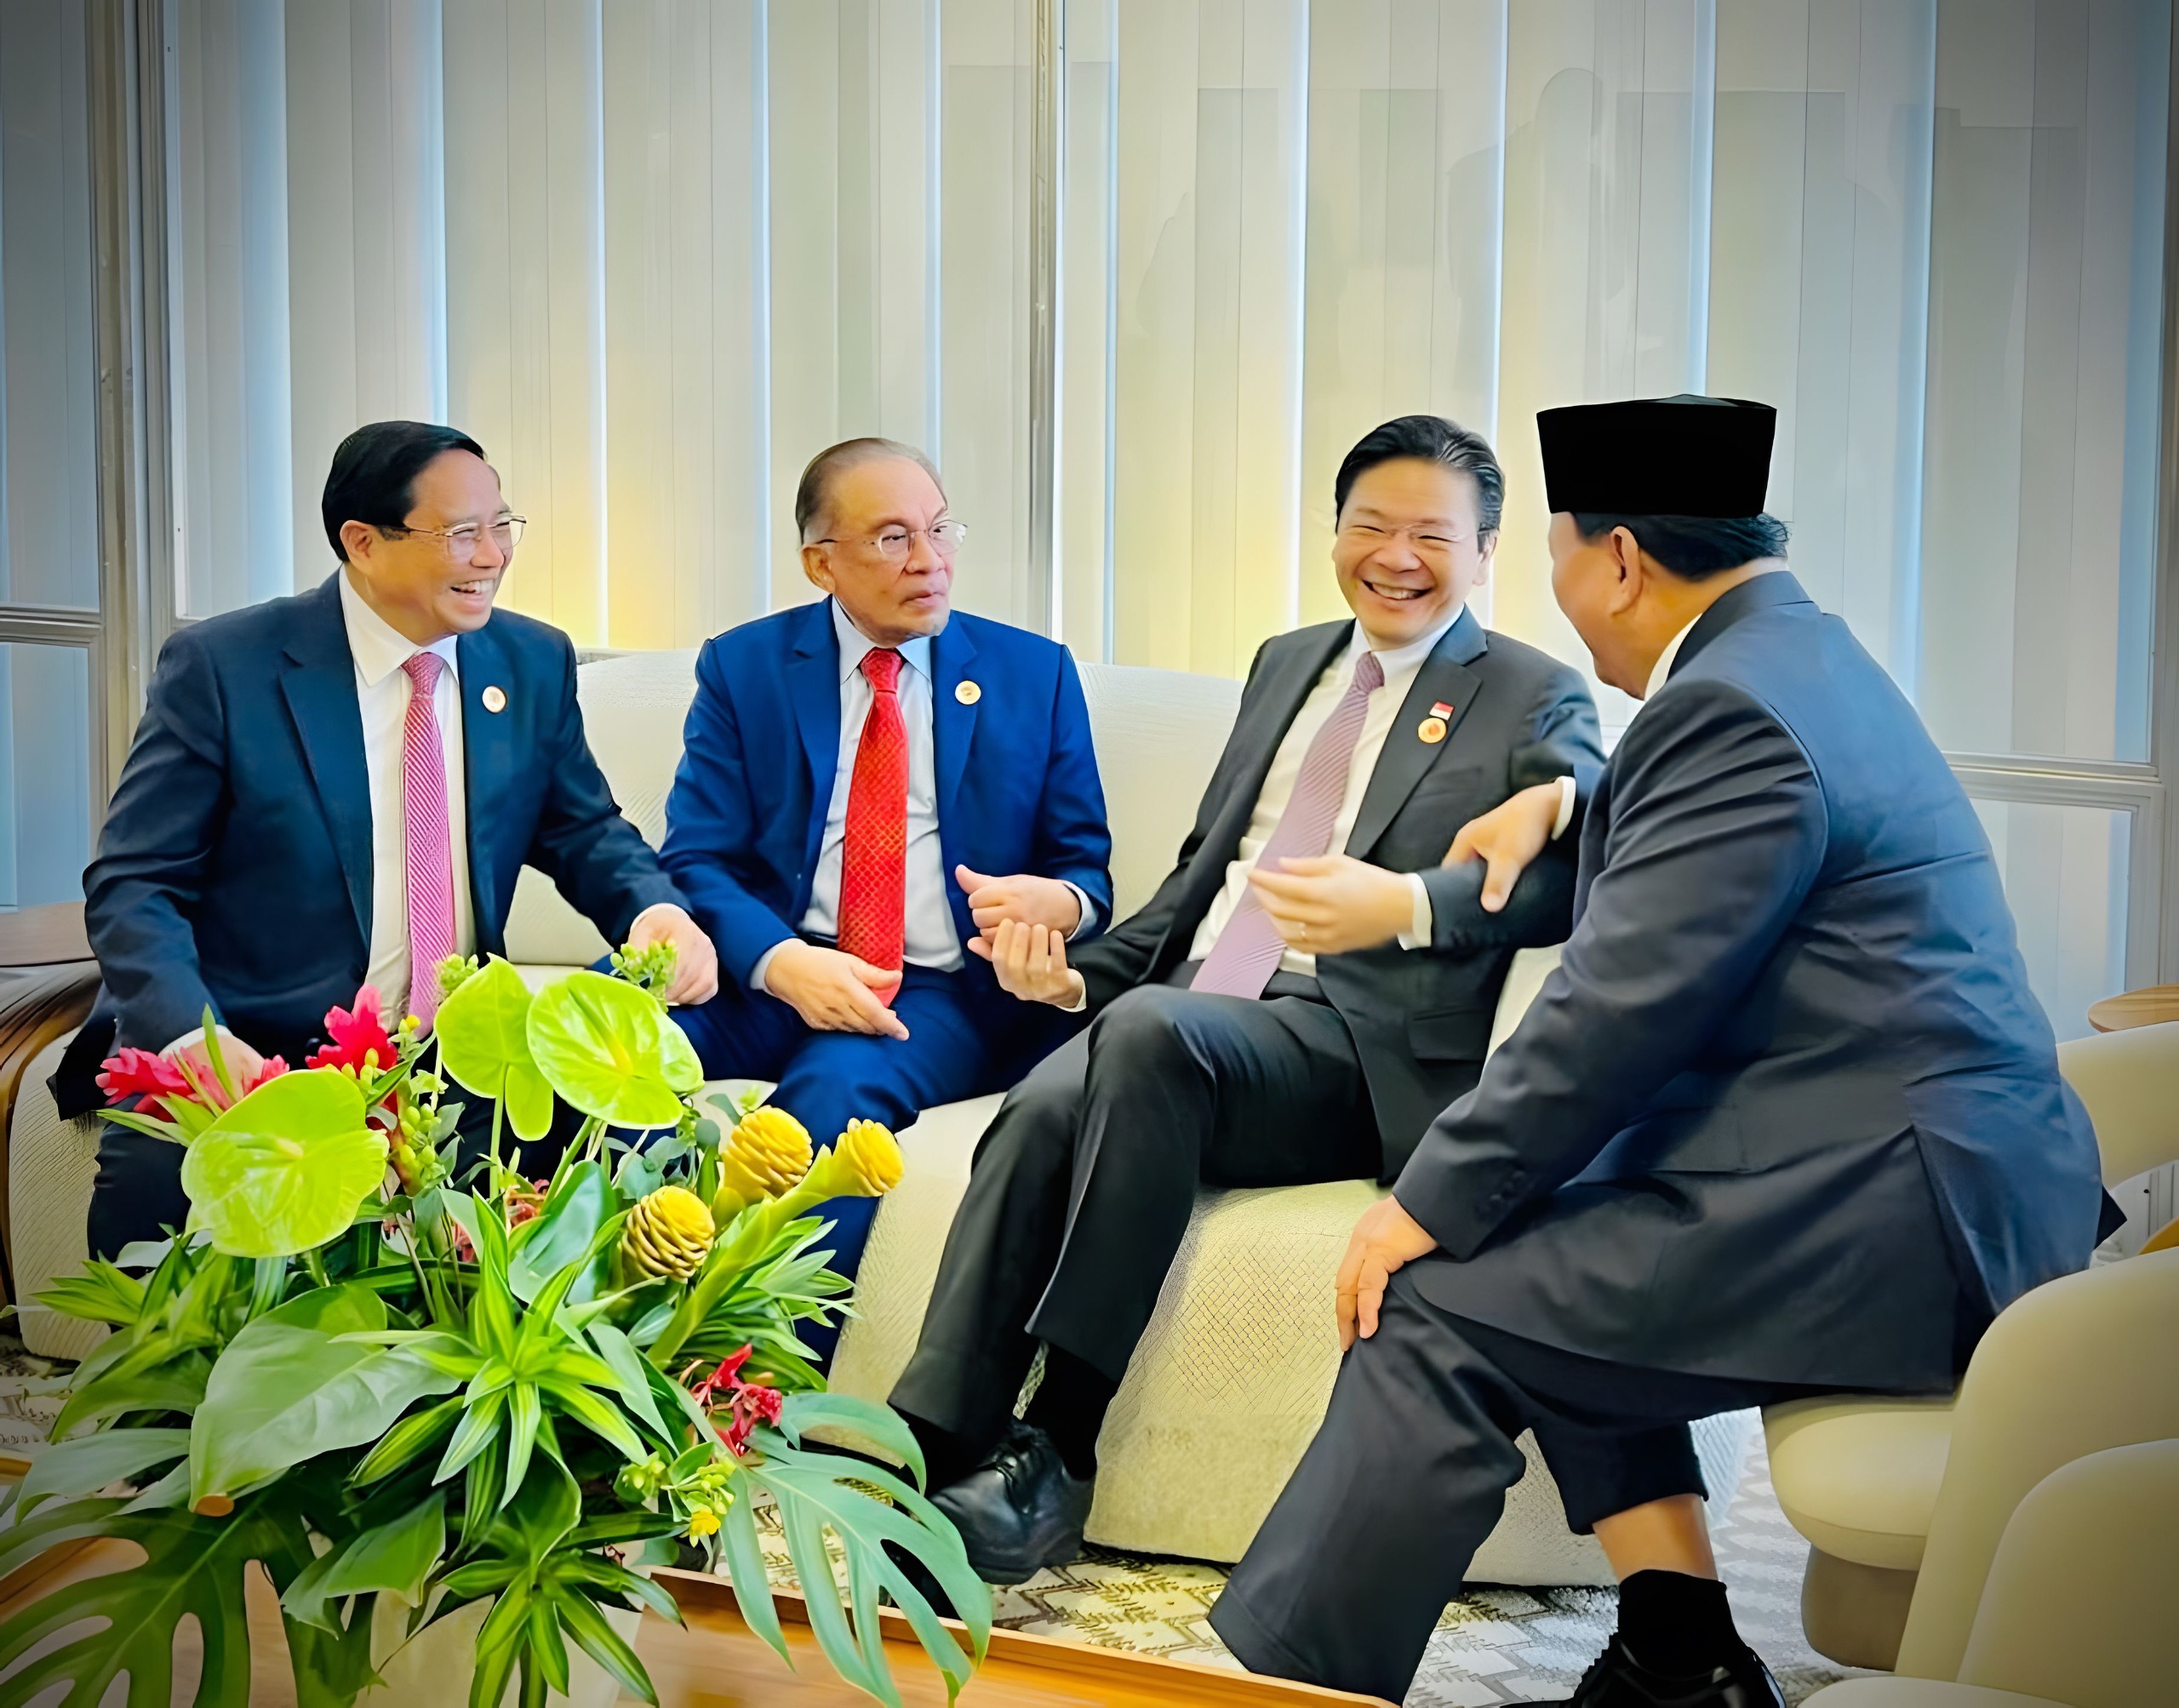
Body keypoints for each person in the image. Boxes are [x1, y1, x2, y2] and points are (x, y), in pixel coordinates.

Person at [1210, 395, 2113, 1708]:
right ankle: (1679, 1659)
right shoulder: (1790, 653)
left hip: (1903, 1209)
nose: (1561, 595)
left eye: (1561, 558)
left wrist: (1421, 1201)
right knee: (1536, 1225)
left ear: (1621, 556)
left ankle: (1293, 1689)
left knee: (1436, 1293)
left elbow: (1619, 1006)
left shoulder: (1732, 704)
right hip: (1904, 1160)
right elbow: (1705, 867)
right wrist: (1570, 797)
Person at [886, 414, 1606, 1587]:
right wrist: (1076, 977)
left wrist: (1408, 898)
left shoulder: (1530, 691)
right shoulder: (1289, 661)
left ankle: (1060, 1445)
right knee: (1039, 1105)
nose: (1398, 554)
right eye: (1371, 524)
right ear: (1334, 532)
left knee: (1155, 1037)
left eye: (1433, 533)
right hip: (1182, 1015)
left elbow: (1575, 849)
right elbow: (1197, 888)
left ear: (1484, 553)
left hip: (1352, 1045)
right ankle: (932, 1444)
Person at [74, 420, 718, 1257]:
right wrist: (194, 1038)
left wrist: (653, 911)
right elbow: (135, 883)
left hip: (456, 1061)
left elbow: (583, 828)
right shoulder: (226, 668)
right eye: (461, 533)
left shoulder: (529, 662)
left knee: (587, 1237)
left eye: (502, 526)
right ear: (364, 544)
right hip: (254, 1045)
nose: (492, 555)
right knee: (161, 1287)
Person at [660, 437, 1112, 1357]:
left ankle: (747, 1388)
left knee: (825, 1110)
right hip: (774, 965)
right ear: (820, 561)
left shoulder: (1035, 674)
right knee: (600, 1029)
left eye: (941, 530)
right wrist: (783, 965)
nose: (930, 561)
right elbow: (695, 858)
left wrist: (1053, 905)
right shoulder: (744, 668)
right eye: (895, 538)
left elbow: (1087, 871)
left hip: (933, 991)